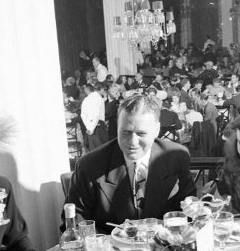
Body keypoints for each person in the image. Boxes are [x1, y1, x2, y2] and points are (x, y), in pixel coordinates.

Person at [64, 95, 196, 234]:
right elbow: (75, 224)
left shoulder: (177, 156)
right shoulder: (90, 165)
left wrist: (193, 207)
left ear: (157, 130)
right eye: (126, 132)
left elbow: (188, 208)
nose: (132, 142)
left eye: (141, 134)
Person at [80, 83, 108, 150]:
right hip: (98, 125)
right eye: (104, 90)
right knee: (102, 149)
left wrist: (88, 127)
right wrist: (92, 129)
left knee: (93, 150)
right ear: (101, 89)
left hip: (89, 125)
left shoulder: (86, 99)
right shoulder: (98, 98)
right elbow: (96, 114)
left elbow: (83, 115)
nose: (104, 91)